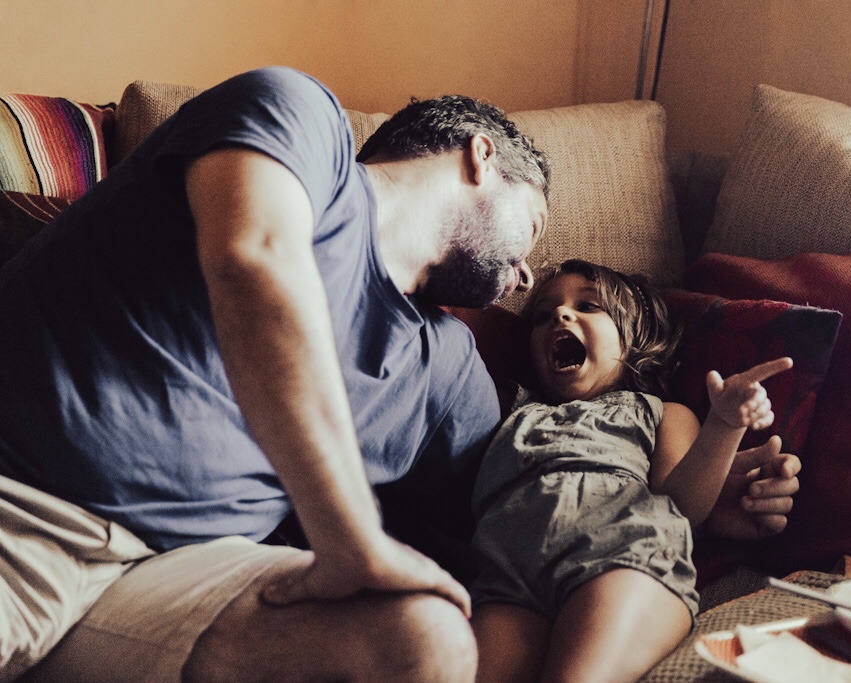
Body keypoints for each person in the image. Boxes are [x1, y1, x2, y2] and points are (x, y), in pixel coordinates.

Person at [0, 66, 548, 683]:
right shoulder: (298, 116)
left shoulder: (448, 368)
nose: (527, 275)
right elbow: (254, 257)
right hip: (23, 506)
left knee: (425, 637)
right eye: (531, 227)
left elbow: (515, 518)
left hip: (174, 579)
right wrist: (351, 536)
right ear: (481, 156)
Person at [469, 259, 798, 683]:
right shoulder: (514, 408)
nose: (560, 315)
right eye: (542, 316)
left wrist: (724, 425)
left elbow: (681, 506)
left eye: (588, 306)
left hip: (624, 559)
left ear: (634, 337)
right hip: (512, 582)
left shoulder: (659, 412)